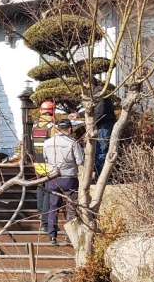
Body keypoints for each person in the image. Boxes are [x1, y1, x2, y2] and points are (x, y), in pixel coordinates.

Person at [43, 118, 84, 246]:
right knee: (71, 207)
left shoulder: (48, 142)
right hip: (69, 178)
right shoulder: (73, 143)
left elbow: (45, 158)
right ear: (70, 129)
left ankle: (52, 237)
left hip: (53, 178)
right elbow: (80, 161)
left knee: (53, 208)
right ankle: (68, 236)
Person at [32, 100, 55, 233]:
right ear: (52, 111)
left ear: (41, 111)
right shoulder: (52, 127)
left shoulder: (35, 126)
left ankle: (40, 212)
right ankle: (45, 221)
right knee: (48, 192)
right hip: (49, 163)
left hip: (37, 163)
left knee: (40, 189)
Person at [94, 91, 116, 177]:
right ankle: (99, 173)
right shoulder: (99, 93)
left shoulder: (99, 94)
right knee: (100, 150)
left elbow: (100, 112)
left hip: (104, 125)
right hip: (103, 124)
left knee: (101, 150)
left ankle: (100, 175)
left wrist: (91, 121)